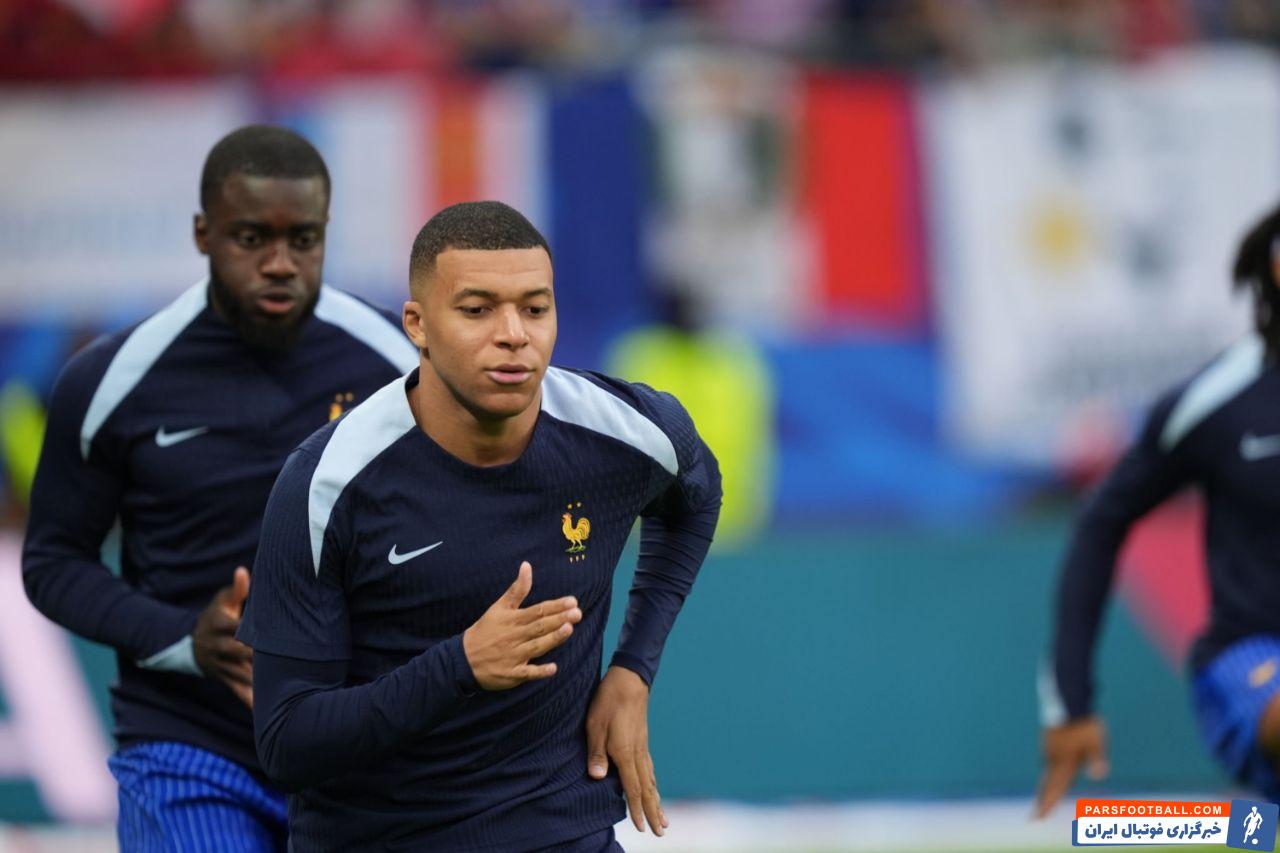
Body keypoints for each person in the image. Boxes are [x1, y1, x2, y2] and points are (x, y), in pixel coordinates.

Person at [239, 200, 722, 851]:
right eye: (477, 310)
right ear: (418, 325)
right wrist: (460, 666)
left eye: (535, 308)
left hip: (565, 832)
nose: (513, 334)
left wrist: (634, 668)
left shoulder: (622, 430)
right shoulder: (328, 481)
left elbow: (696, 493)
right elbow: (286, 741)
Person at [22, 124, 417, 850]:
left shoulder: (402, 366)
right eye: (250, 239)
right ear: (203, 234)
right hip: (187, 746)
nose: (279, 264)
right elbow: (53, 563)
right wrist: (183, 640)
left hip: (359, 755)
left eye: (303, 239)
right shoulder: (111, 380)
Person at [1036, 204, 1280, 816]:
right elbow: (1101, 521)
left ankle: (1194, 827)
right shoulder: (1216, 402)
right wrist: (1069, 700)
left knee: (1253, 831)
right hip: (1254, 657)